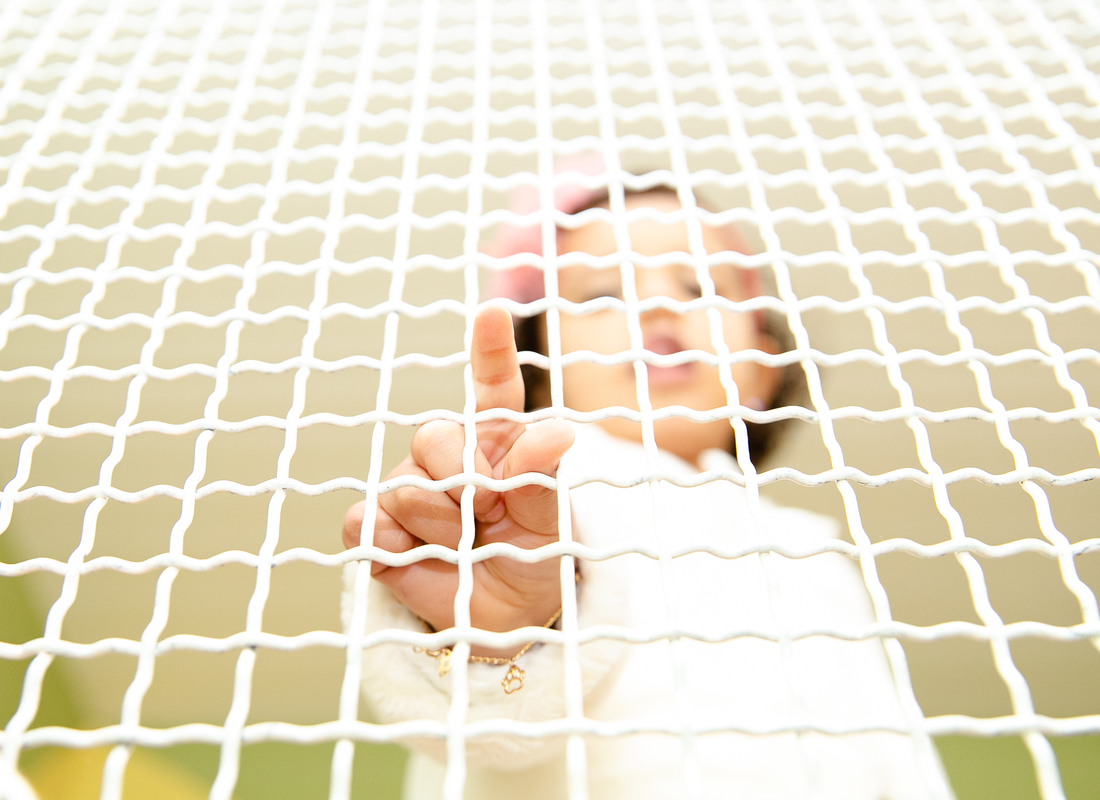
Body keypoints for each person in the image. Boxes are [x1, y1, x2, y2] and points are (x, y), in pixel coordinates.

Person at [341, 157, 955, 800]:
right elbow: (472, 733)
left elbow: (899, 760)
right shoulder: (533, 510)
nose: (660, 307)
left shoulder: (814, 552)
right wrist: (509, 633)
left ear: (764, 363)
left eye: (700, 287)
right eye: (601, 292)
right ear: (539, 367)